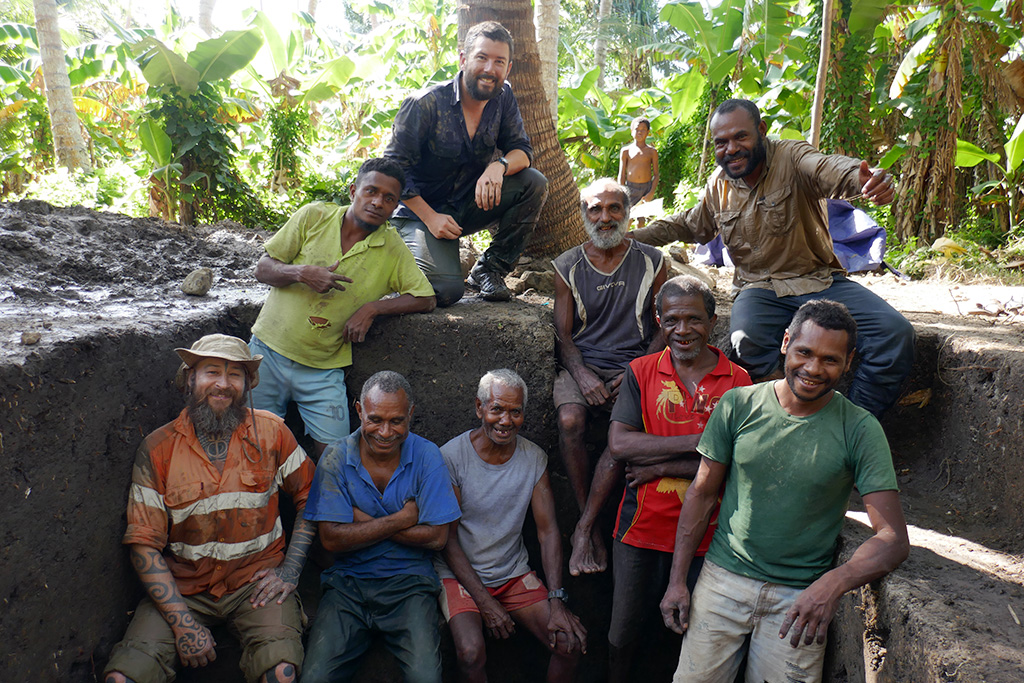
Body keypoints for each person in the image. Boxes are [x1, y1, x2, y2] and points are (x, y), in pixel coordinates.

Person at [659, 300, 910, 683]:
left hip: (800, 600)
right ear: (785, 342)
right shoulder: (739, 404)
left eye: (829, 360)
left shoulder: (860, 429)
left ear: (849, 361)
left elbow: (892, 538)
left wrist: (832, 583)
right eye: (804, 352)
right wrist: (678, 581)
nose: (812, 369)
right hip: (722, 582)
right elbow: (702, 493)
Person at [632, 98, 915, 417]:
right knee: (746, 339)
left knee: (894, 333)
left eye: (741, 137)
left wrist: (864, 179)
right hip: (759, 289)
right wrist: (630, 238)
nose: (731, 149)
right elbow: (690, 224)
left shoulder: (792, 156)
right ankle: (787, 420)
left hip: (820, 281)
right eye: (721, 142)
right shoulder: (718, 186)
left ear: (761, 131)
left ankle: (854, 425)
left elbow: (828, 169)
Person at [103, 334, 318, 683]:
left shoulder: (272, 433)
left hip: (256, 585)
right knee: (122, 678)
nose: (223, 384)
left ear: (248, 384)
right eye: (211, 372)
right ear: (190, 379)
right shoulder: (158, 449)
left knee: (281, 672)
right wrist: (182, 622)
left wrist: (290, 571)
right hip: (183, 590)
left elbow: (312, 495)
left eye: (235, 375)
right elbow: (144, 543)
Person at [575, 276, 751, 683]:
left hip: (711, 537)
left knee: (688, 636)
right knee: (623, 634)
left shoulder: (738, 383)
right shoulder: (641, 371)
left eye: (694, 319)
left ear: (713, 321)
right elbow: (619, 444)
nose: (683, 330)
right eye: (672, 320)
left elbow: (741, 461)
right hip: (640, 529)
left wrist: (660, 466)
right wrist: (708, 441)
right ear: (658, 321)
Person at [249, 158, 436, 457]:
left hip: (324, 370)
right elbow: (262, 269)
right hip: (267, 353)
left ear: (395, 206)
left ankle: (317, 505)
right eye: (371, 191)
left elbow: (425, 298)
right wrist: (301, 273)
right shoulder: (313, 217)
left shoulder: (391, 247)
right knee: (253, 450)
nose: (377, 202)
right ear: (353, 191)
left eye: (389, 198)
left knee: (335, 462)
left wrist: (372, 309)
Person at [300, 371, 462, 683]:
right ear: (358, 410)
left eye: (397, 421)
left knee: (426, 678)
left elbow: (437, 537)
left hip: (411, 586)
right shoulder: (335, 457)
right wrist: (400, 520)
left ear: (411, 413)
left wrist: (361, 522)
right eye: (375, 419)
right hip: (347, 587)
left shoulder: (427, 455)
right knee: (315, 678)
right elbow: (331, 539)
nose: (385, 432)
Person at [436, 369, 588, 683]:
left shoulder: (533, 458)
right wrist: (485, 602)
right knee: (470, 652)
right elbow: (447, 541)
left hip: (512, 574)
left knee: (568, 644)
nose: (506, 421)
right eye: (497, 410)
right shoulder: (451, 458)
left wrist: (556, 600)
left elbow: (547, 532)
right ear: (479, 408)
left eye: (515, 412)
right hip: (459, 578)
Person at [384, 20, 548, 305]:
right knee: (445, 291)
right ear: (463, 59)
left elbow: (522, 149)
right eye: (481, 57)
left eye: (499, 61)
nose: (489, 69)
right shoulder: (425, 103)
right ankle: (398, 251)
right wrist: (430, 217)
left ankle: (489, 270)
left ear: (508, 68)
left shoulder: (504, 97)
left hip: (467, 205)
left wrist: (499, 166)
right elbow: (393, 170)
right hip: (419, 213)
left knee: (534, 182)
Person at [552, 178, 667, 575]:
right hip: (582, 363)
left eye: (613, 208)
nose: (605, 217)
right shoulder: (567, 265)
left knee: (622, 435)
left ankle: (583, 530)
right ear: (583, 215)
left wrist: (638, 370)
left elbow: (665, 327)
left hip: (635, 364)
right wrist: (581, 373)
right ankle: (592, 527)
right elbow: (563, 335)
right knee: (570, 419)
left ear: (627, 212)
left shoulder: (653, 260)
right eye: (595, 210)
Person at [618, 117, 659, 220]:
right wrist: (621, 192)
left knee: (641, 220)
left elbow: (656, 175)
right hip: (630, 189)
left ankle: (637, 236)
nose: (639, 132)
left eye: (643, 130)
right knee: (628, 219)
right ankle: (625, 236)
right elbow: (622, 174)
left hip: (646, 188)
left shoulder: (652, 152)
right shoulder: (626, 151)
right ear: (632, 131)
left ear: (648, 132)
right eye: (637, 129)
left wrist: (651, 192)